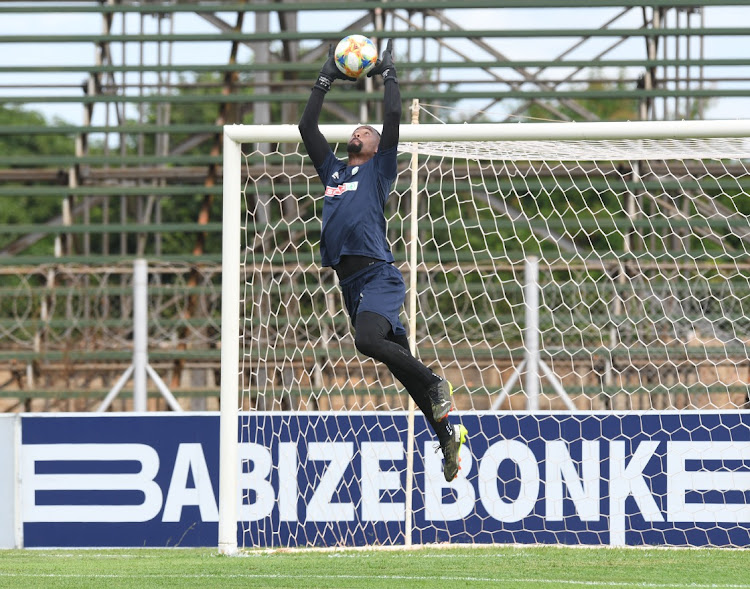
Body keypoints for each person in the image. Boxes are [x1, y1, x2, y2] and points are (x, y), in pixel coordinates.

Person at [298, 39, 468, 482]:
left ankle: (435, 382)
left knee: (368, 342)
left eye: (366, 132)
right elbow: (306, 127)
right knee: (400, 366)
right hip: (351, 286)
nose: (359, 131)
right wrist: (325, 79)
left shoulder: (380, 169)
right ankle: (447, 436)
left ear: (376, 147)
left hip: (378, 275)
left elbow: (392, 118)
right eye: (356, 130)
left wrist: (389, 74)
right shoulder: (333, 171)